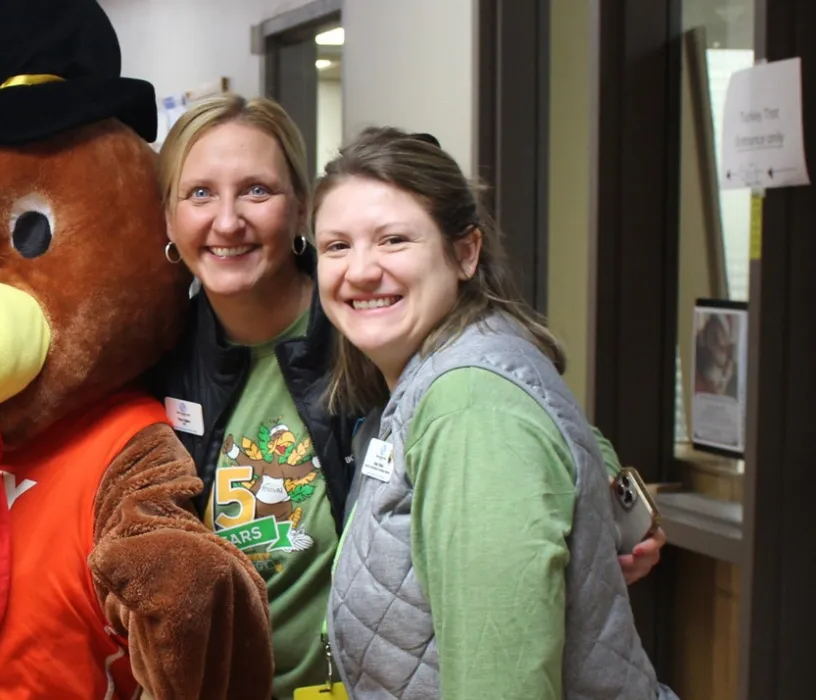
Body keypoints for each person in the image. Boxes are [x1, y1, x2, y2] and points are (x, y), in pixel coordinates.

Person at [147, 96, 665, 698]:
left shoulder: (362, 322)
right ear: (168, 218)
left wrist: (606, 498)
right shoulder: (157, 352)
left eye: (258, 190)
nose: (229, 220)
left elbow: (505, 404)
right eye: (199, 193)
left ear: (298, 212)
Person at [313, 127, 674, 699]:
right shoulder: (433, 374)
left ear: (465, 252)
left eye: (394, 240)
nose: (359, 270)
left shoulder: (471, 412)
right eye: (337, 246)